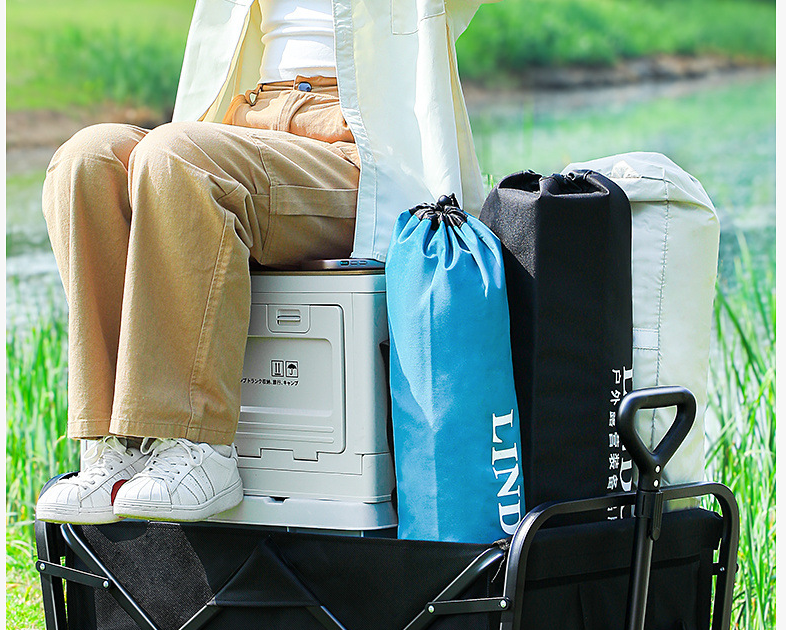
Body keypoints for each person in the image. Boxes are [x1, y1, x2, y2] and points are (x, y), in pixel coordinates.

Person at [36, 0, 498, 525]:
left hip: (361, 144)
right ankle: (115, 445)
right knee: (87, 159)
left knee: (177, 155)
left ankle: (198, 444)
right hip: (253, 117)